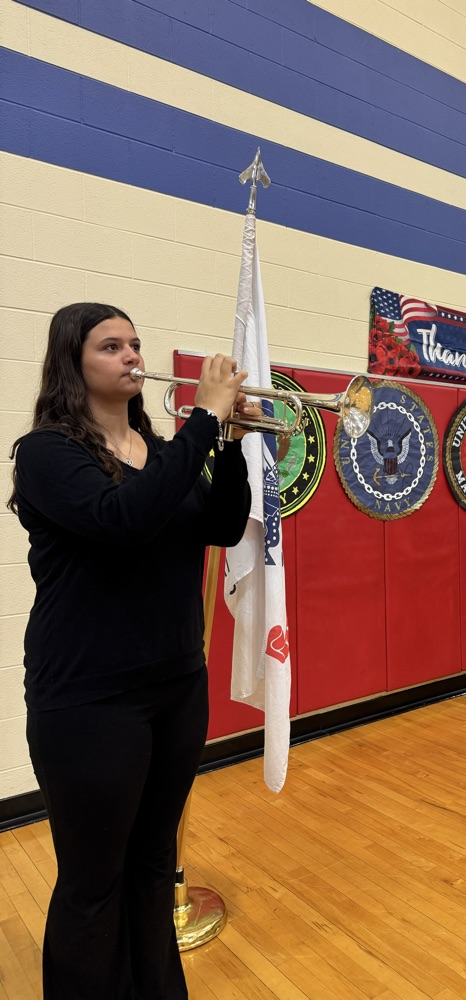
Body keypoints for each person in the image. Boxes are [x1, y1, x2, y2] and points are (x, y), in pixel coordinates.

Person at [8, 302, 255, 1000]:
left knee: (154, 866)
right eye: (110, 345)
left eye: (135, 343)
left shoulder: (156, 450)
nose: (130, 355)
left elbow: (223, 524)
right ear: (72, 362)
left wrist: (230, 442)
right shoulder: (49, 453)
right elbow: (122, 521)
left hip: (175, 684)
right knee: (93, 883)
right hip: (88, 697)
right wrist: (204, 420)